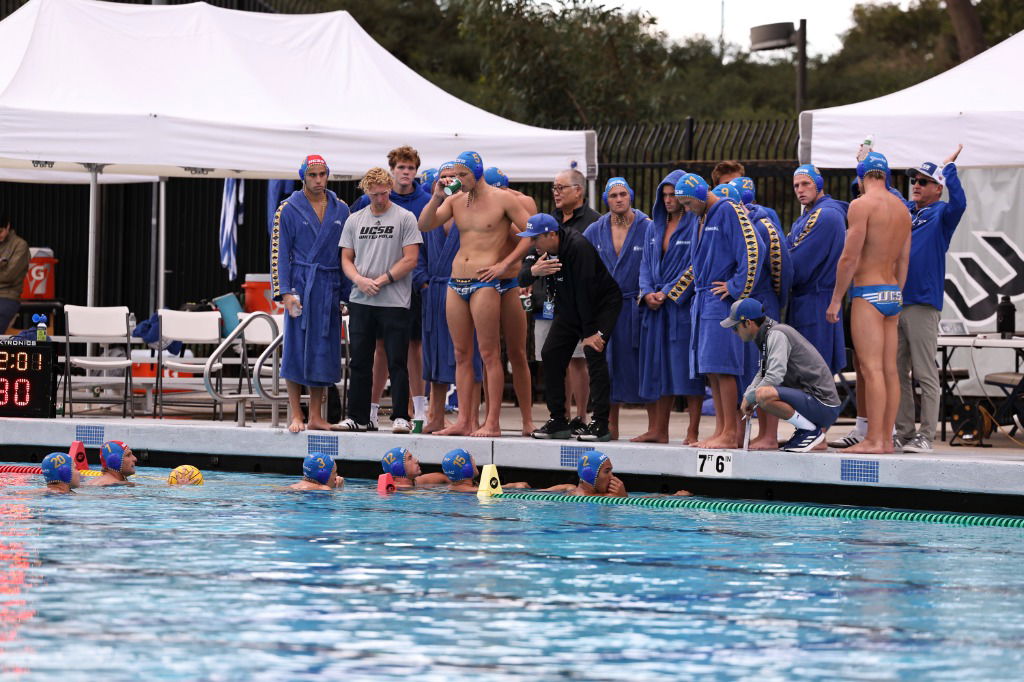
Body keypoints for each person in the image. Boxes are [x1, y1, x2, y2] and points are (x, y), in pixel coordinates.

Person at [418, 151, 532, 437]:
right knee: (460, 354)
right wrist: (436, 197)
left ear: (477, 173)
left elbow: (532, 232)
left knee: (489, 354)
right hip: (456, 282)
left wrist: (505, 264)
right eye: (455, 175)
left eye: (462, 175)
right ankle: (464, 421)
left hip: (484, 282)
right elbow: (425, 225)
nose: (457, 181)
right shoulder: (455, 200)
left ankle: (491, 422)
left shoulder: (503, 199)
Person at [827, 152, 911, 454]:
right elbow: (904, 260)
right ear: (885, 176)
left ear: (861, 178)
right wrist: (896, 293)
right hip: (892, 294)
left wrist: (836, 299)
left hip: (868, 294)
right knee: (890, 370)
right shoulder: (902, 209)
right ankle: (886, 440)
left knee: (871, 369)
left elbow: (849, 257)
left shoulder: (861, 205)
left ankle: (873, 439)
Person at [677, 173, 763, 450]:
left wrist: (736, 287)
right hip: (704, 301)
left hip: (721, 302)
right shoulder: (701, 216)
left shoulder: (727, 209)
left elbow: (754, 248)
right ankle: (722, 430)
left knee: (724, 367)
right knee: (711, 370)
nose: (687, 209)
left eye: (689, 203)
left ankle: (731, 433)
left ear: (702, 195)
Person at [519, 214, 622, 442]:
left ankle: (601, 424)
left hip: (601, 305)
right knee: (551, 353)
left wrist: (590, 333)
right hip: (570, 308)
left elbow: (585, 293)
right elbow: (521, 278)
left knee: (593, 351)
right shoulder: (540, 252)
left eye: (535, 238)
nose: (532, 243)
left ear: (551, 234)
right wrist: (535, 271)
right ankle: (558, 420)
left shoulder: (578, 246)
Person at [351, 146, 431, 430]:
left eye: (411, 168)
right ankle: (369, 412)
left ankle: (416, 412)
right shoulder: (364, 204)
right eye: (401, 168)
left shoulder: (425, 201)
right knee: (378, 350)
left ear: (416, 171)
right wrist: (360, 280)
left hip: (413, 286)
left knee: (413, 349)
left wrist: (422, 279)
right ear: (392, 170)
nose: (406, 172)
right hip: (371, 290)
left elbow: (424, 249)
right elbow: (350, 249)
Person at [895, 146, 966, 453]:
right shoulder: (907, 211)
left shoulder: (941, 213)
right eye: (914, 180)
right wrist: (864, 165)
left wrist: (948, 169)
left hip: (923, 303)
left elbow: (960, 203)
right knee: (897, 372)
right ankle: (905, 432)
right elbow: (880, 193)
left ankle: (927, 435)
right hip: (897, 301)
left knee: (924, 373)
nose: (916, 185)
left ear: (937, 188)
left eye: (924, 181)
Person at [271, 154, 350, 433]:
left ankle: (316, 415)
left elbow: (346, 255)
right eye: (313, 175)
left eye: (322, 174)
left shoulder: (341, 210)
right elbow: (279, 254)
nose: (318, 180)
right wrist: (285, 292)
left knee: (324, 351)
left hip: (328, 286)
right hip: (301, 286)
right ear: (303, 176)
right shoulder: (288, 209)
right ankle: (296, 414)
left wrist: (345, 294)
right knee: (295, 350)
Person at [715, 182, 794, 450]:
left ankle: (769, 435)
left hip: (761, 305)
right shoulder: (736, 225)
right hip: (744, 307)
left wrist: (774, 304)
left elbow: (782, 269)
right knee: (747, 372)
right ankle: (740, 433)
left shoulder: (761, 226)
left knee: (765, 370)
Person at [413, 166, 482, 433]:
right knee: (434, 357)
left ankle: (470, 417)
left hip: (464, 290)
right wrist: (424, 283)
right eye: (440, 180)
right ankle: (436, 416)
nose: (445, 183)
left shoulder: (469, 211)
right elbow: (416, 251)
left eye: (451, 178)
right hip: (435, 291)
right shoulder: (430, 215)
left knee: (467, 355)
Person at [637, 170, 705, 444]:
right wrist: (646, 293)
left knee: (688, 371)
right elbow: (644, 264)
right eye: (663, 195)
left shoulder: (696, 224)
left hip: (681, 308)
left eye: (673, 195)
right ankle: (658, 429)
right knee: (659, 367)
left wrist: (667, 292)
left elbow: (696, 265)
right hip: (656, 309)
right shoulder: (654, 227)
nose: (667, 200)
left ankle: (693, 430)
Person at [583, 177, 652, 440]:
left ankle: (655, 427)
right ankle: (609, 425)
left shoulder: (647, 227)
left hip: (636, 306)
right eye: (613, 196)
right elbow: (582, 265)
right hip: (605, 309)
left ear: (630, 196)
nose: (619, 199)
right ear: (606, 200)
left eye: (623, 194)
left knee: (643, 367)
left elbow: (656, 264)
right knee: (606, 367)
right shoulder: (595, 230)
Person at [726, 298, 842, 452]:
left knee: (763, 395)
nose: (735, 333)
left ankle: (810, 431)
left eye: (735, 327)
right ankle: (805, 431)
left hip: (824, 405)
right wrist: (748, 395)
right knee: (760, 394)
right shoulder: (766, 333)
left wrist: (751, 397)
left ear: (748, 323)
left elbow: (774, 376)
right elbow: (763, 373)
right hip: (814, 401)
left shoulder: (776, 334)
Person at [485, 165, 537, 436]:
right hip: (486, 283)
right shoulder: (478, 204)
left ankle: (527, 419)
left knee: (518, 352)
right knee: (489, 354)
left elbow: (532, 240)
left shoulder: (521, 203)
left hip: (512, 281)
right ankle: (490, 419)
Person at [787, 164, 847, 377]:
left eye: (805, 183)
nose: (800, 190)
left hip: (817, 301)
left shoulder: (824, 215)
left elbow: (795, 265)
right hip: (808, 300)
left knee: (814, 374)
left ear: (819, 184)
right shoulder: (808, 215)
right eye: (796, 186)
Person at [542, 450, 627, 497]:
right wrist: (623, 497)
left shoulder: (568, 488)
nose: (612, 477)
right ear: (590, 475)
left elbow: (537, 493)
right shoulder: (608, 497)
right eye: (607, 471)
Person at [440, 448, 528, 492]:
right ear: (467, 468)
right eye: (472, 460)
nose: (475, 462)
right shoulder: (476, 492)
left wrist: (508, 486)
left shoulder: (449, 488)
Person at [0, 212, 30, 333]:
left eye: (0, 231)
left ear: (8, 226)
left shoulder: (20, 245)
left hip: (7, 296)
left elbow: (9, 275)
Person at [380, 446, 450, 488]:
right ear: (398, 468)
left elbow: (441, 477)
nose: (416, 460)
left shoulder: (414, 482)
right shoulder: (393, 491)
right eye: (410, 458)